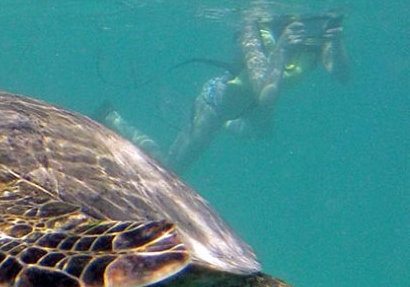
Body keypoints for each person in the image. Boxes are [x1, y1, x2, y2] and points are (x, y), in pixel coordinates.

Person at [99, 10, 350, 173]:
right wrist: (283, 46)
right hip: (218, 103)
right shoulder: (258, 34)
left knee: (260, 133)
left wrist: (334, 39)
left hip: (252, 109)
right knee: (168, 168)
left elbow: (341, 75)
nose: (310, 26)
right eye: (305, 20)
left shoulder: (315, 45)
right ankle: (113, 118)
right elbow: (266, 91)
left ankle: (216, 121)